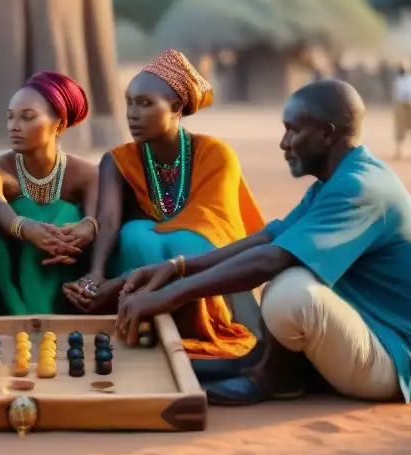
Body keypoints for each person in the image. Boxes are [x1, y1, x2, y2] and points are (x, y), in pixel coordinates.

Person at [116, 79, 411, 407]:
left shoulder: (360, 188)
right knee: (286, 268)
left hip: (398, 361)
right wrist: (176, 267)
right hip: (369, 333)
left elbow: (271, 258)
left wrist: (170, 295)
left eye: (294, 131)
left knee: (291, 287)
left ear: (327, 134)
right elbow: (266, 237)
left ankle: (274, 379)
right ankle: (262, 362)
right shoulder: (334, 182)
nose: (284, 143)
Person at [64, 49, 264, 362]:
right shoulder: (118, 159)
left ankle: (189, 328)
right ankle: (148, 326)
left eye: (145, 103)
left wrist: (117, 283)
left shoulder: (216, 154)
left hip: (201, 262)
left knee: (188, 241)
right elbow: (109, 219)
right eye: (130, 102)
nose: (132, 113)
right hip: (141, 262)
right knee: (135, 235)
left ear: (175, 108)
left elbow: (214, 227)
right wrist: (96, 276)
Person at [0, 71, 99, 315]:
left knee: (68, 212)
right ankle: (25, 315)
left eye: (27, 117)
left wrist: (84, 229)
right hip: (8, 283)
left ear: (59, 124)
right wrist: (25, 228)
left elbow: (98, 217)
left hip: (67, 271)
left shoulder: (87, 173)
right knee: (15, 217)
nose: (14, 126)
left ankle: (58, 313)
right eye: (10, 117)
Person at [391, 59, 411, 159]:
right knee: (400, 127)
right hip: (400, 104)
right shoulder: (397, 80)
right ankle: (399, 150)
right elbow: (395, 93)